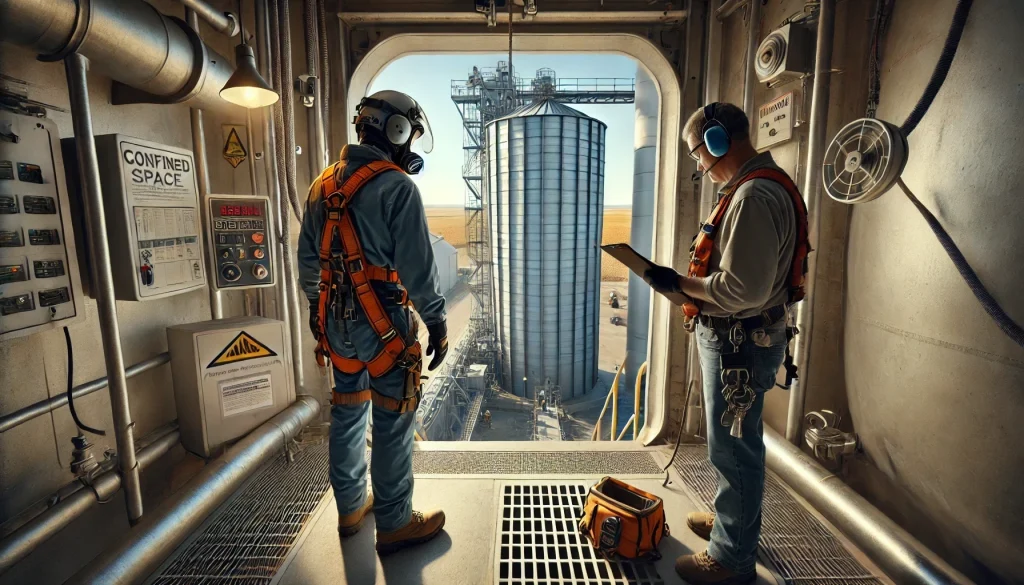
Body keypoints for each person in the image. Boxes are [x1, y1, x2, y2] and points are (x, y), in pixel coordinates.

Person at [644, 102, 809, 585]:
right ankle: (730, 522)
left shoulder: (753, 195)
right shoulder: (756, 186)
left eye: (698, 152)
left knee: (734, 448)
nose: (698, 164)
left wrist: (678, 283)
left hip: (739, 344)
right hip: (741, 338)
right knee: (730, 443)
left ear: (718, 142)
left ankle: (731, 559)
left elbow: (743, 290)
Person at [298, 90, 449, 556]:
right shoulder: (398, 187)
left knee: (346, 414)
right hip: (385, 325)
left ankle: (348, 510)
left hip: (336, 327)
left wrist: (315, 310)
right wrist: (437, 322)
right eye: (409, 138)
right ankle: (395, 521)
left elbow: (308, 261)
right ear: (396, 132)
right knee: (392, 421)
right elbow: (419, 271)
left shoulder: (321, 185)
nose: (409, 151)